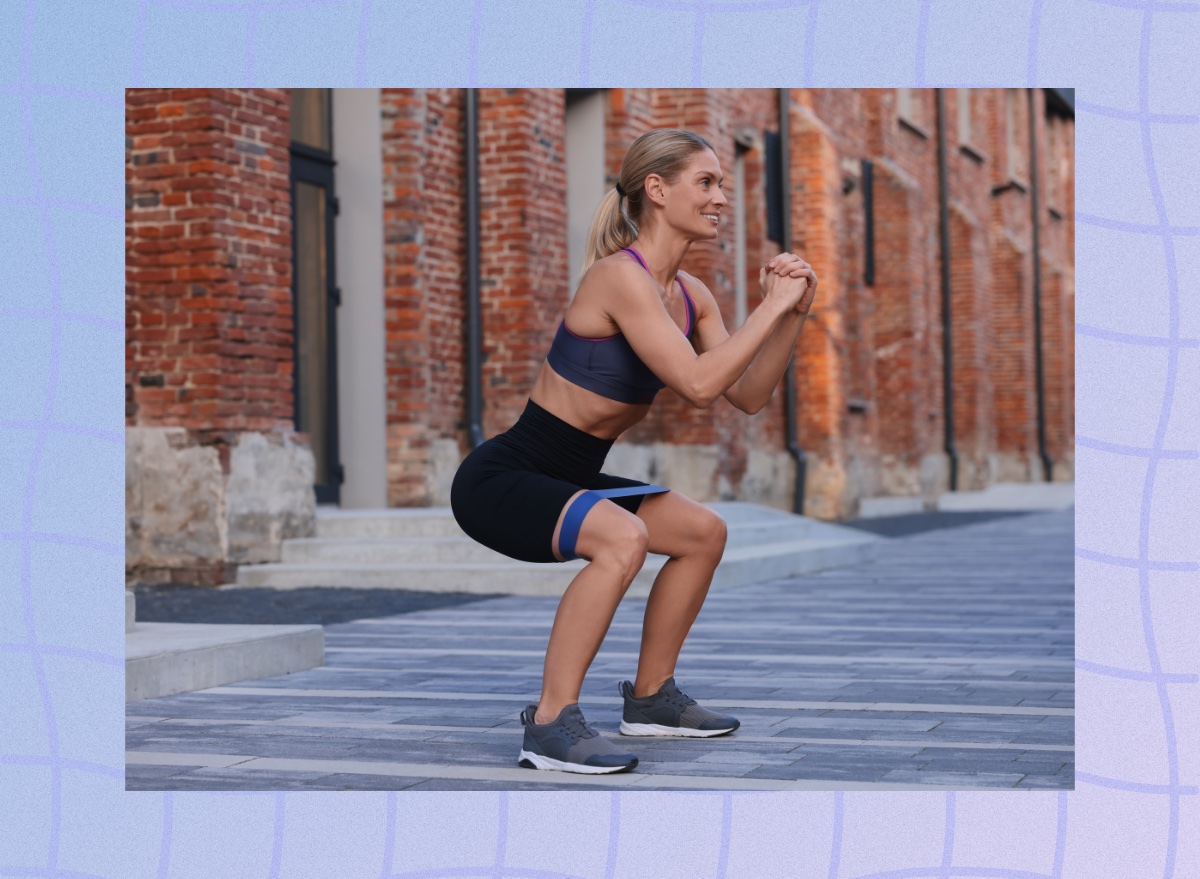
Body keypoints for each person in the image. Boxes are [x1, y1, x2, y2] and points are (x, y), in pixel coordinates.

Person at [451, 128, 817, 774]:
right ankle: (548, 724)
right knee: (623, 539)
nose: (720, 198)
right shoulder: (620, 278)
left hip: (573, 477)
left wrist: (792, 314)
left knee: (703, 531)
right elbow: (700, 384)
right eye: (706, 183)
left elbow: (749, 394)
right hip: (503, 478)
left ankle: (650, 698)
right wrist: (769, 303)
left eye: (721, 185)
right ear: (657, 189)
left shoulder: (692, 296)